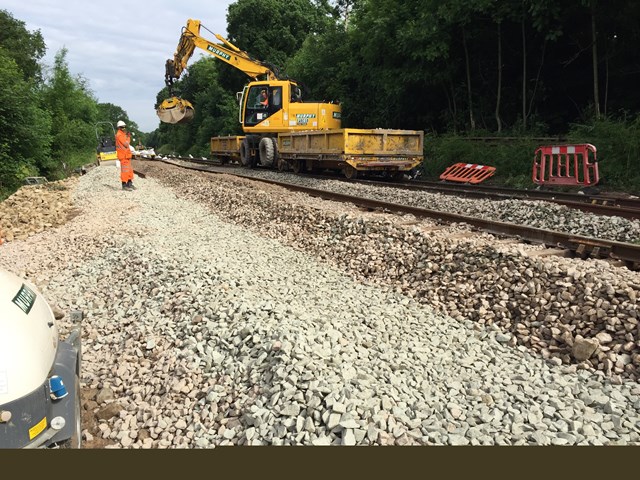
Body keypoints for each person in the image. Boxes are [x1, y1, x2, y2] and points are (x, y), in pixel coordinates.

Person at [115, 120, 136, 190]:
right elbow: (126, 144)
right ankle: (124, 185)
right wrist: (129, 137)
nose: (124, 128)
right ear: (119, 128)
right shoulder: (119, 135)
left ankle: (129, 184)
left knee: (129, 170)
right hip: (123, 156)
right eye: (122, 127)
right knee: (125, 171)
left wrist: (127, 135)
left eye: (124, 127)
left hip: (126, 155)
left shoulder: (122, 134)